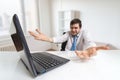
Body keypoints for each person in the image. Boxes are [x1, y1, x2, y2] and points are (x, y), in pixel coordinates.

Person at [29, 18, 109, 60]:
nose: (73, 30)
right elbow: (58, 39)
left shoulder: (85, 32)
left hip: (79, 56)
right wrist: (47, 39)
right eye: (71, 28)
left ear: (80, 28)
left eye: (76, 28)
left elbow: (89, 41)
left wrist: (91, 48)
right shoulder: (68, 33)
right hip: (67, 55)